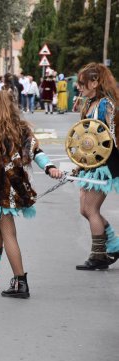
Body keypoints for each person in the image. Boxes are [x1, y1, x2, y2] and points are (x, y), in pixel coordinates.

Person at [0, 90, 63, 297]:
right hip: (16, 187)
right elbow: (37, 153)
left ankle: (20, 282)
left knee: (8, 233)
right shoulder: (22, 129)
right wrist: (50, 167)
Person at [72, 63, 119, 270]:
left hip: (105, 164)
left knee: (91, 209)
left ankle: (98, 256)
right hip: (91, 164)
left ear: (95, 82)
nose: (79, 88)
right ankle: (115, 245)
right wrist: (80, 164)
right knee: (85, 209)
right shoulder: (89, 103)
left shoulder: (106, 105)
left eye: (82, 84)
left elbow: (112, 136)